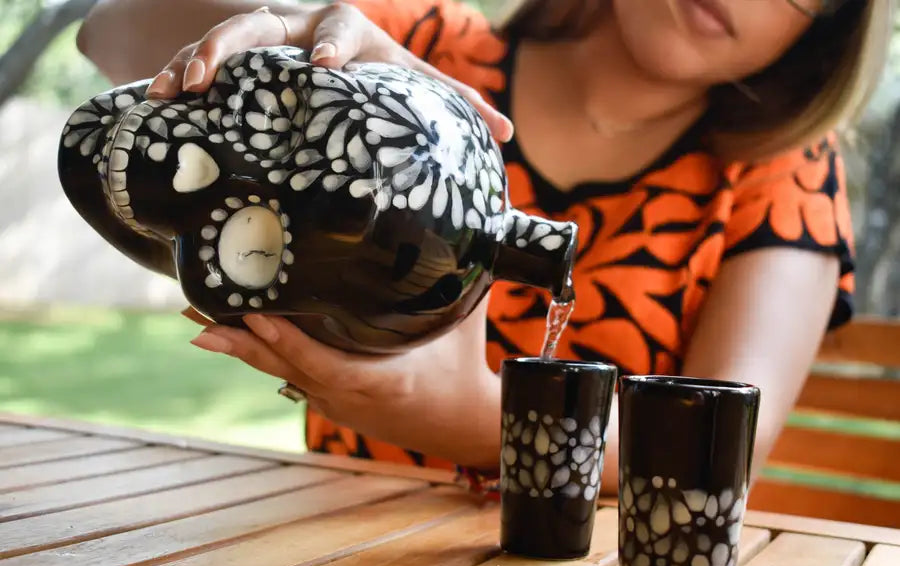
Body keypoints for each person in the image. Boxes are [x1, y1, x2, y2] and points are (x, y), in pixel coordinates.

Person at [75, 0, 892, 494]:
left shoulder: (780, 177)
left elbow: (713, 451)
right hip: (325, 548)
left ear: (825, 33)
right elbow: (108, 29)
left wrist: (469, 419)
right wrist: (281, 34)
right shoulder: (428, 53)